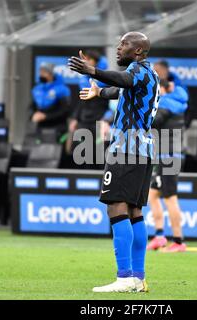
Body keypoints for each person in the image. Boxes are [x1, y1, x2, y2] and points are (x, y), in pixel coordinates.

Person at [69, 31, 159, 293]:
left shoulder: (138, 70)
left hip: (126, 150)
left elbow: (124, 79)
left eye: (124, 44)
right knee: (134, 212)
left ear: (139, 51)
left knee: (116, 208)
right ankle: (138, 277)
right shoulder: (149, 75)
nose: (118, 48)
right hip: (142, 151)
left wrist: (93, 70)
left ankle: (124, 277)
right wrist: (99, 93)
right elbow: (121, 88)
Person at [147, 79, 188, 252]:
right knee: (152, 195)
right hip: (167, 155)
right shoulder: (177, 102)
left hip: (168, 156)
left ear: (162, 89)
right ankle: (159, 236)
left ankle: (178, 241)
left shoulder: (165, 103)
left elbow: (155, 122)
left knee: (170, 197)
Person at [69, 50, 110, 169]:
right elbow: (82, 100)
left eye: (89, 60)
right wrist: (75, 118)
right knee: (80, 153)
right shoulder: (83, 79)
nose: (86, 62)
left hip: (100, 121)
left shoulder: (107, 77)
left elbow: (113, 103)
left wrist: (107, 120)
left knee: (99, 154)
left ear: (95, 61)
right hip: (84, 120)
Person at [29, 62, 71, 138]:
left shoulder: (62, 90)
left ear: (51, 74)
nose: (41, 75)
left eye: (44, 72)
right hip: (40, 128)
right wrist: (33, 114)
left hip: (58, 128)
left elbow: (65, 111)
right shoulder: (37, 89)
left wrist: (46, 116)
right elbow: (32, 106)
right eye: (40, 72)